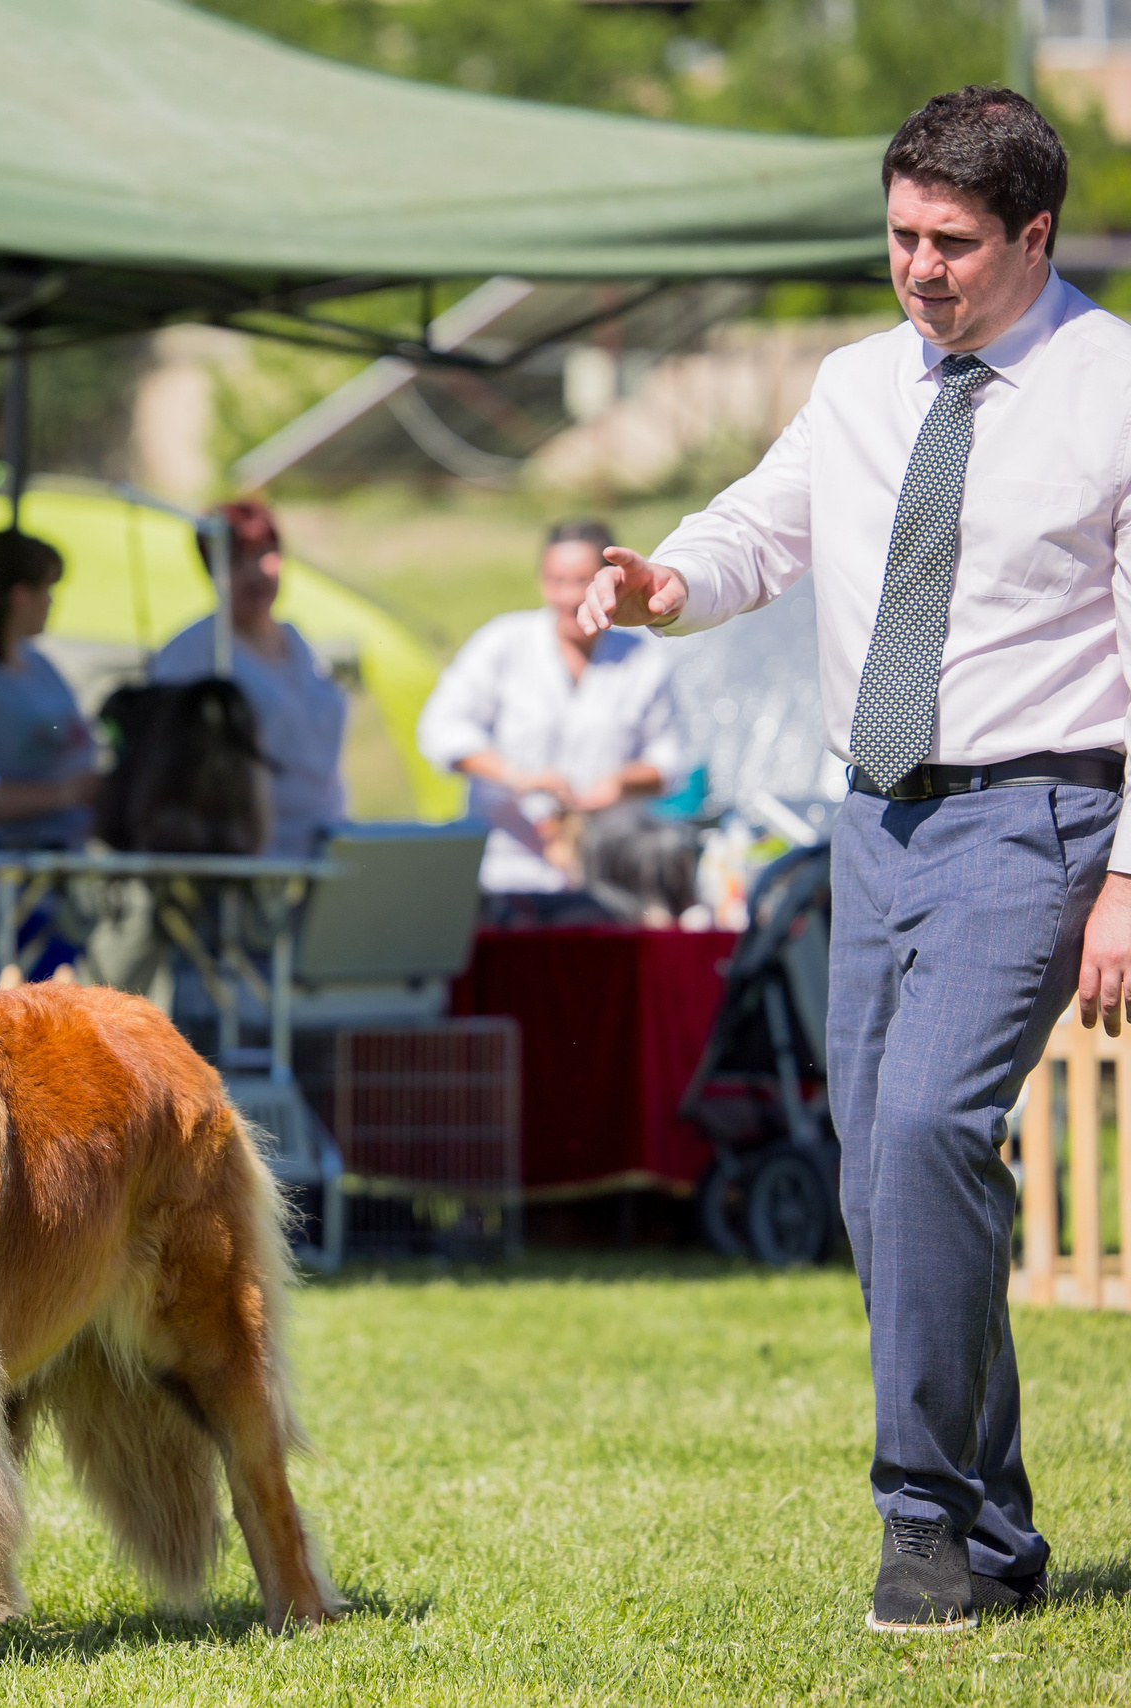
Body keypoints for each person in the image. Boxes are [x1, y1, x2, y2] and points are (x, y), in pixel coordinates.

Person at [583, 88, 1131, 1633]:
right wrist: (663, 578)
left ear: (1035, 234)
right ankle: (1002, 1529)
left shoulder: (1116, 388)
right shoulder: (856, 383)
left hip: (1039, 814)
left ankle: (924, 1524)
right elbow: (763, 530)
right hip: (872, 816)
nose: (918, 270)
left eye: (952, 243)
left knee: (926, 1133)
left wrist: (1130, 880)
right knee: (877, 1183)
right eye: (899, 235)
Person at [416, 519, 684, 906]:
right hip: (506, 868)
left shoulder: (642, 660)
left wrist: (619, 783)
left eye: (581, 582)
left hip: (607, 876)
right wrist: (517, 776)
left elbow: (669, 758)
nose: (568, 596)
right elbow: (441, 729)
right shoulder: (504, 642)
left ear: (609, 583)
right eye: (555, 581)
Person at [149, 500, 345, 858]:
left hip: (326, 840)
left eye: (266, 554)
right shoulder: (192, 651)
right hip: (252, 855)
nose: (256, 573)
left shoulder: (299, 642)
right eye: (238, 561)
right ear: (212, 570)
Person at [0, 528, 99, 851]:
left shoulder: (41, 663)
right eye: (47, 588)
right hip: (16, 859)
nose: (52, 601)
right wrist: (66, 795)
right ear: (20, 596)